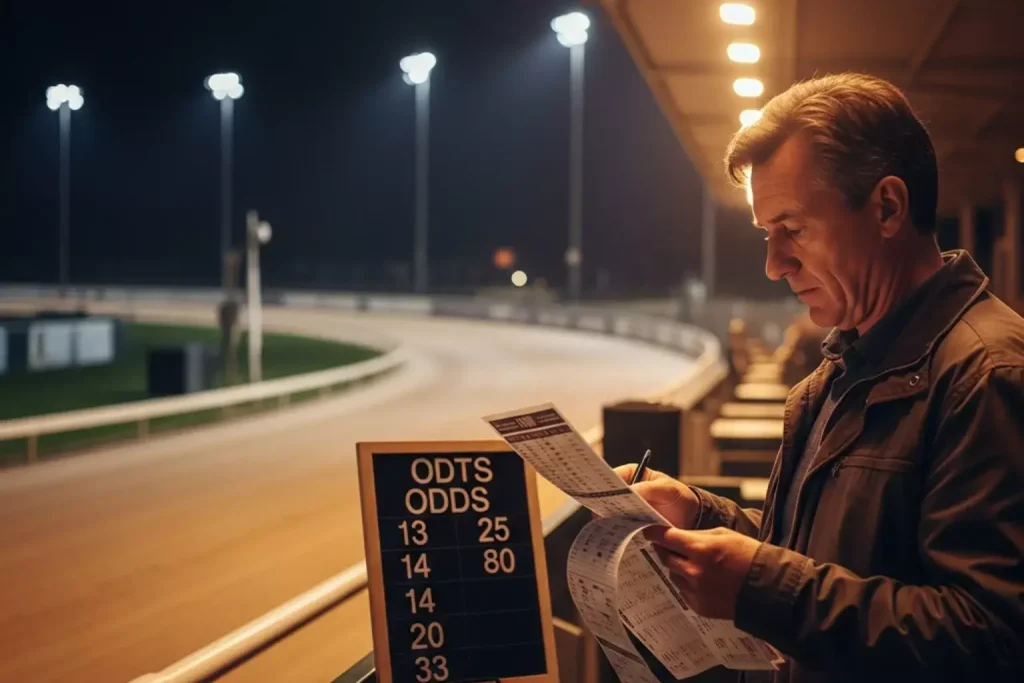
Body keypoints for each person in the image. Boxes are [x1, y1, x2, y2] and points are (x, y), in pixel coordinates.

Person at [616, 73, 1024, 682]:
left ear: (888, 207)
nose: (774, 264)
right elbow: (824, 562)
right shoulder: (840, 372)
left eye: (794, 229)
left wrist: (757, 586)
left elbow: (992, 637)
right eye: (766, 234)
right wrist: (703, 518)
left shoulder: (987, 373)